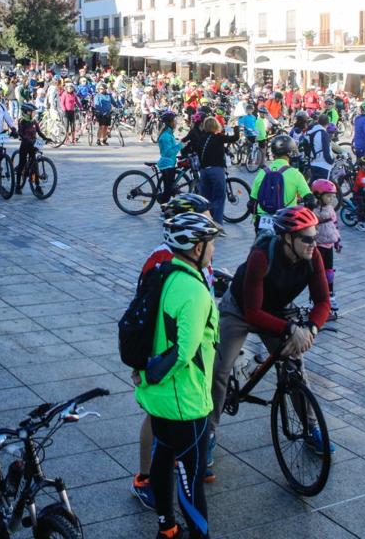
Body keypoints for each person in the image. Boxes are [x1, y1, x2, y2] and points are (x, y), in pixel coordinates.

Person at [208, 205, 332, 480]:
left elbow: (323, 301)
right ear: (287, 238)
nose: (314, 243)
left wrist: (310, 329)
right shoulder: (262, 255)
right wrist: (290, 328)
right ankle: (209, 433)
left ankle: (311, 427)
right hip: (240, 309)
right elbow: (252, 312)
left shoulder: (314, 257)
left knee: (295, 369)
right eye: (307, 238)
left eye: (314, 236)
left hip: (277, 310)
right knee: (220, 369)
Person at [134, 211, 223, 539]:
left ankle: (166, 527)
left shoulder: (165, 274)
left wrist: (144, 374)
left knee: (163, 454)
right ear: (196, 248)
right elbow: (185, 351)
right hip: (185, 400)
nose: (214, 249)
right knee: (191, 476)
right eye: (211, 243)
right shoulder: (194, 290)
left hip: (160, 402)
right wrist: (153, 375)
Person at [248, 135, 312, 231]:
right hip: (286, 220)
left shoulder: (262, 172)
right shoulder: (295, 173)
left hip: (262, 220)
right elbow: (310, 200)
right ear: (290, 153)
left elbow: (252, 202)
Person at [197, 116, 238, 226]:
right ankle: (217, 224)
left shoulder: (202, 137)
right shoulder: (218, 137)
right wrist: (236, 128)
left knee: (206, 198)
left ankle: (205, 222)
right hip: (216, 170)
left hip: (204, 171)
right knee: (219, 197)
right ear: (216, 126)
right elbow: (235, 138)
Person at [311, 179, 341, 316]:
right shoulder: (313, 210)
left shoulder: (330, 209)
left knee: (329, 272)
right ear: (318, 195)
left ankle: (330, 295)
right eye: (328, 196)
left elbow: (335, 225)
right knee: (318, 272)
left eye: (333, 196)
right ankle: (316, 298)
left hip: (329, 245)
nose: (331, 199)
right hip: (318, 246)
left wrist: (338, 241)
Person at [12, 103, 51, 195]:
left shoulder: (34, 121)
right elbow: (21, 134)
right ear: (27, 112)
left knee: (35, 166)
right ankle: (18, 186)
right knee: (21, 164)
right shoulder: (22, 121)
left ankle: (37, 186)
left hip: (33, 145)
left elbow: (39, 132)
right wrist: (28, 140)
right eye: (33, 112)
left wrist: (46, 138)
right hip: (25, 145)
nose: (34, 114)